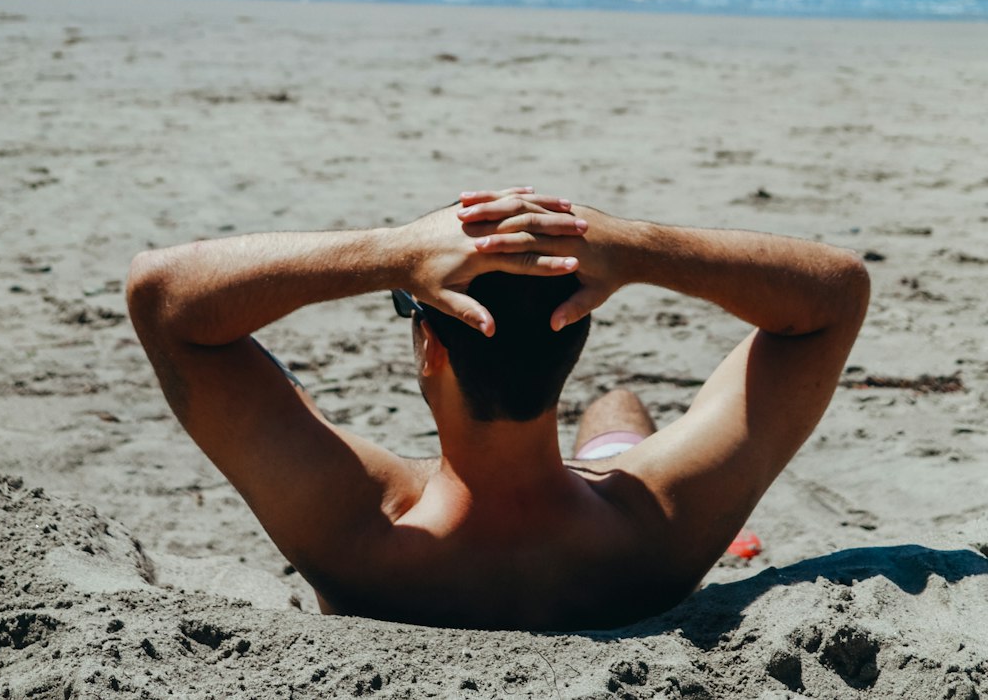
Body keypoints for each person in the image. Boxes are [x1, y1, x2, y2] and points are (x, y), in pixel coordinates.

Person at [126, 185, 869, 631]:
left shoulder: (353, 530)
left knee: (614, 439)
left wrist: (394, 251)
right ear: (572, 340)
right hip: (604, 531)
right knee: (617, 415)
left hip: (426, 555)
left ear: (431, 349)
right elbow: (833, 295)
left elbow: (162, 296)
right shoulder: (665, 522)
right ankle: (609, 440)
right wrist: (635, 247)